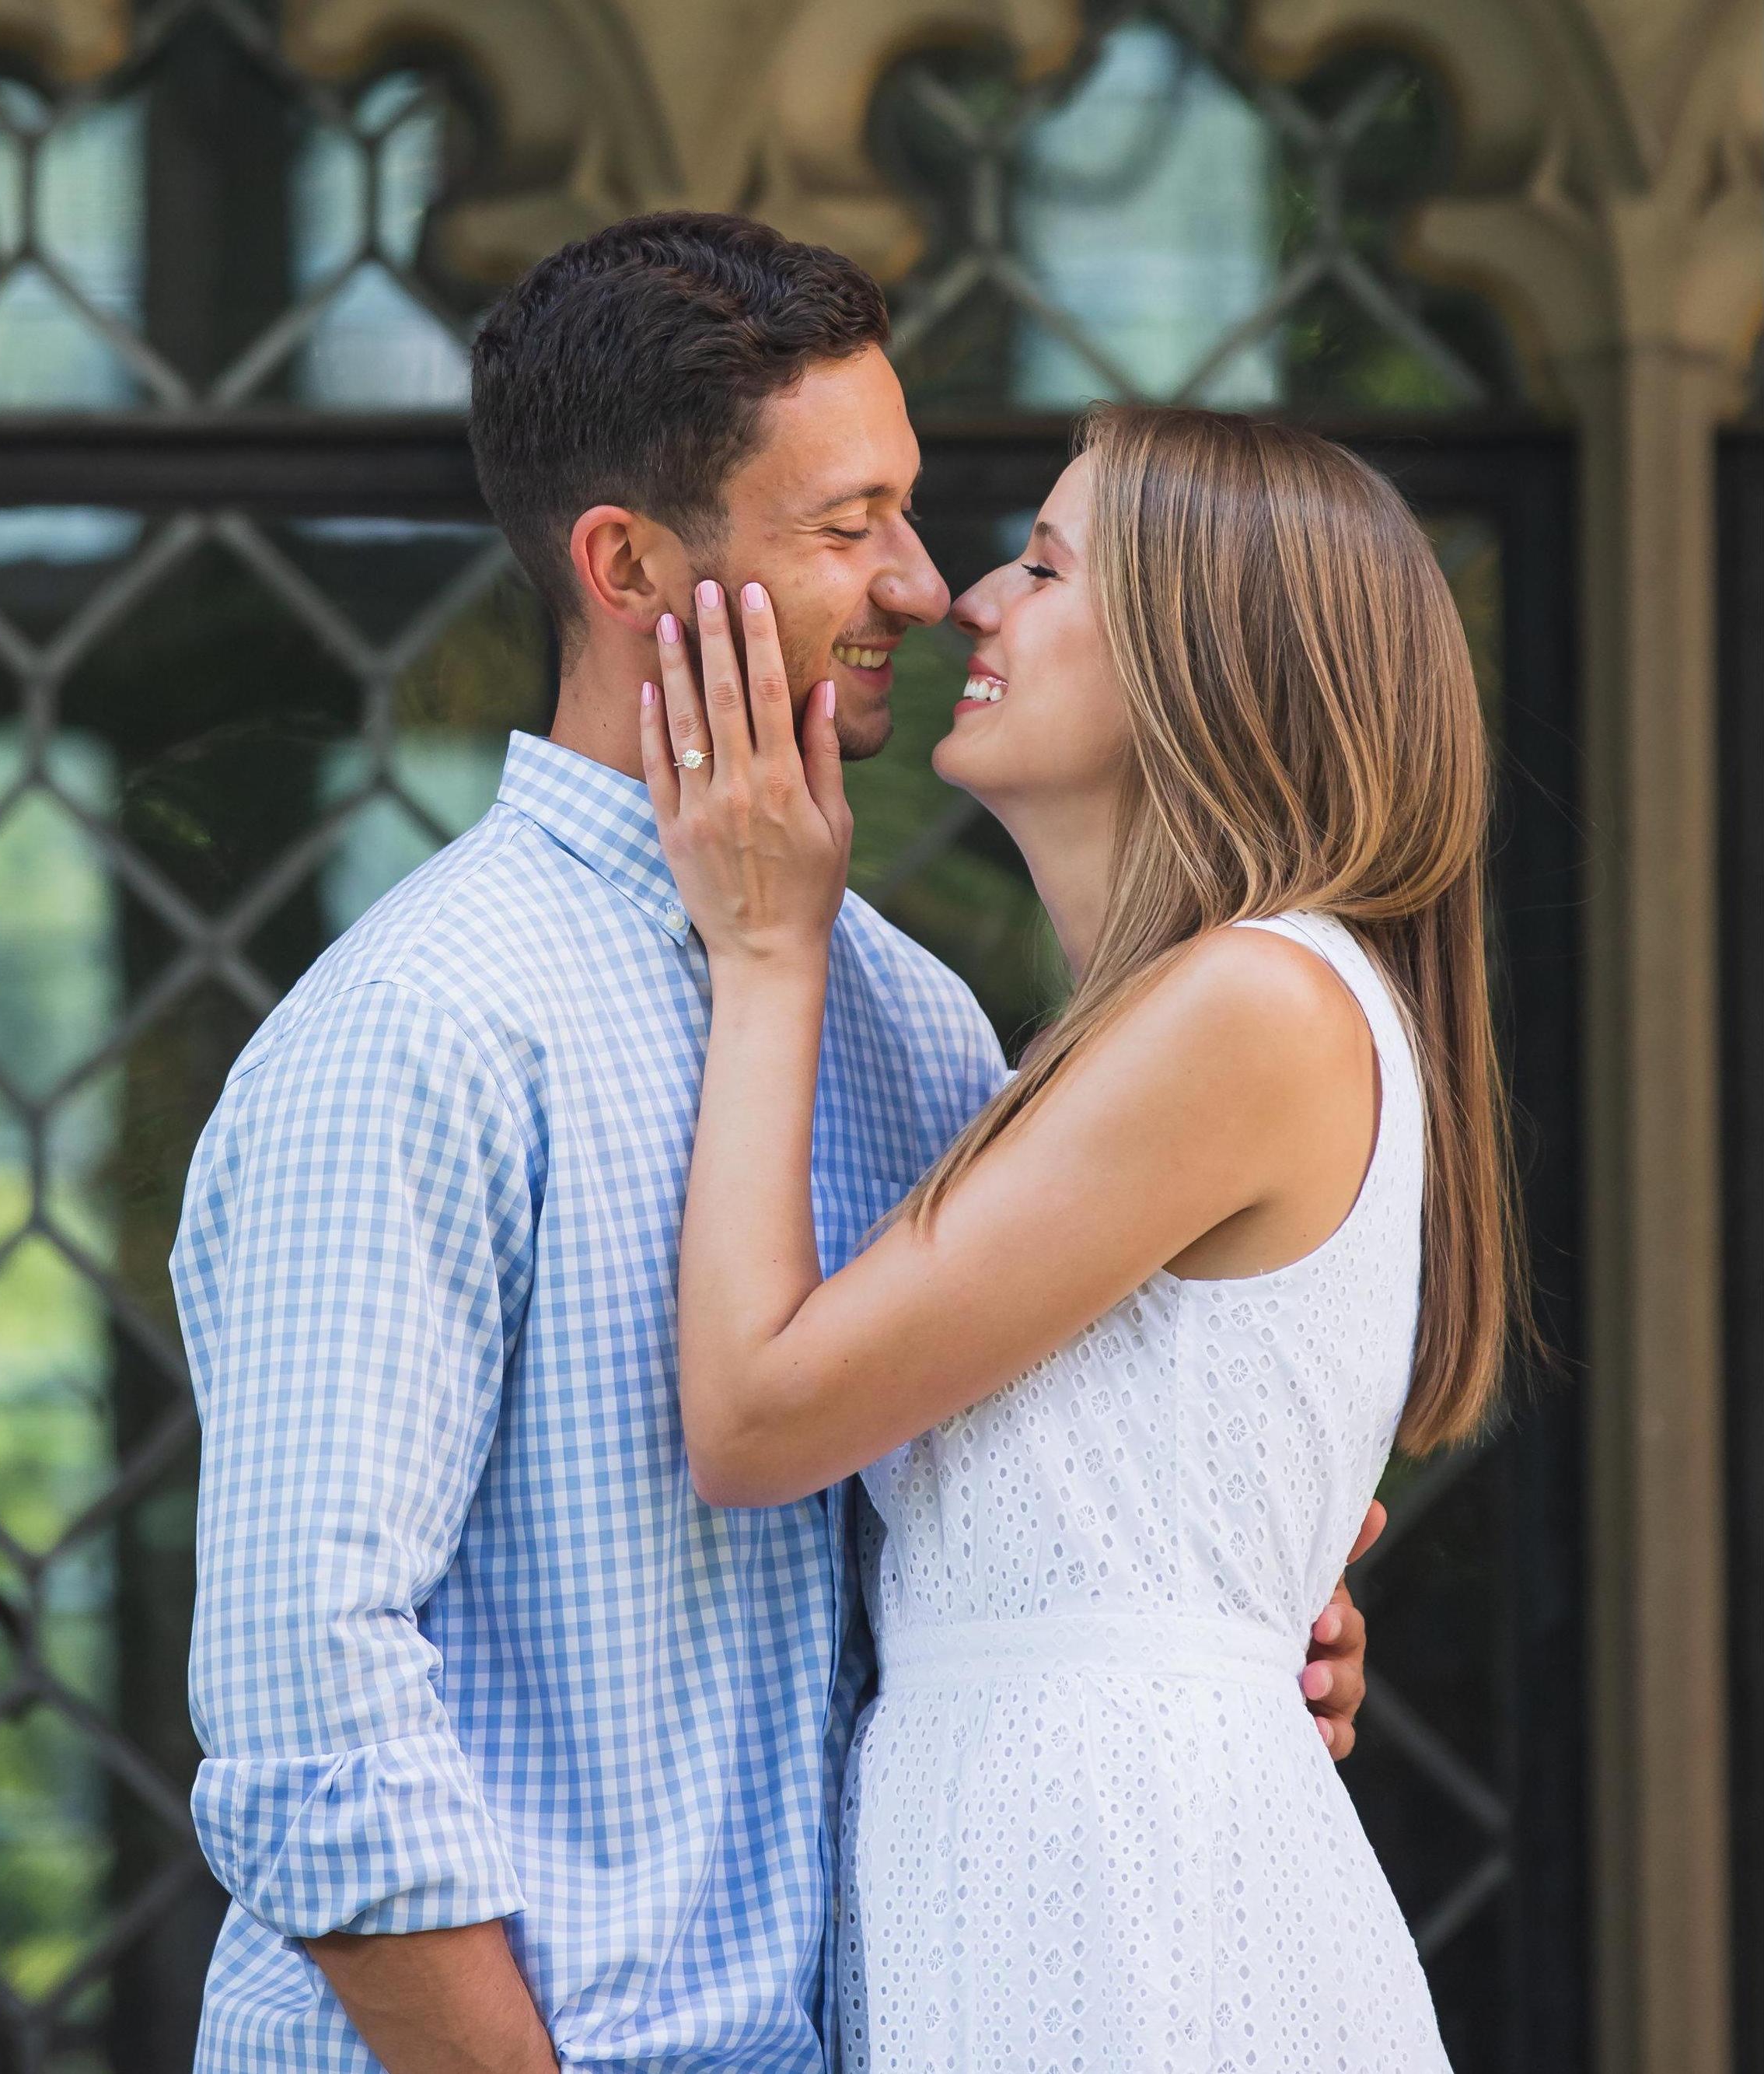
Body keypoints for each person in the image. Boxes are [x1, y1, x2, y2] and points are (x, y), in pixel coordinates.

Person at [173, 215, 1375, 2074]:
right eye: (844, 527)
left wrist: (1204, 1619)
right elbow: (306, 1708)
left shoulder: (909, 1025)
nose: (920, 582)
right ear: (629, 564)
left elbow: (959, 1534)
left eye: (911, 511)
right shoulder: (418, 1031)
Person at [640, 400, 1512, 2071]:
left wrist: (764, 952)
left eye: (1041, 564)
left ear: (1202, 663)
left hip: (1142, 1914)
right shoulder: (1102, 1043)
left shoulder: (1252, 1001)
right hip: (1043, 1879)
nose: (971, 597)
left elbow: (755, 1418)